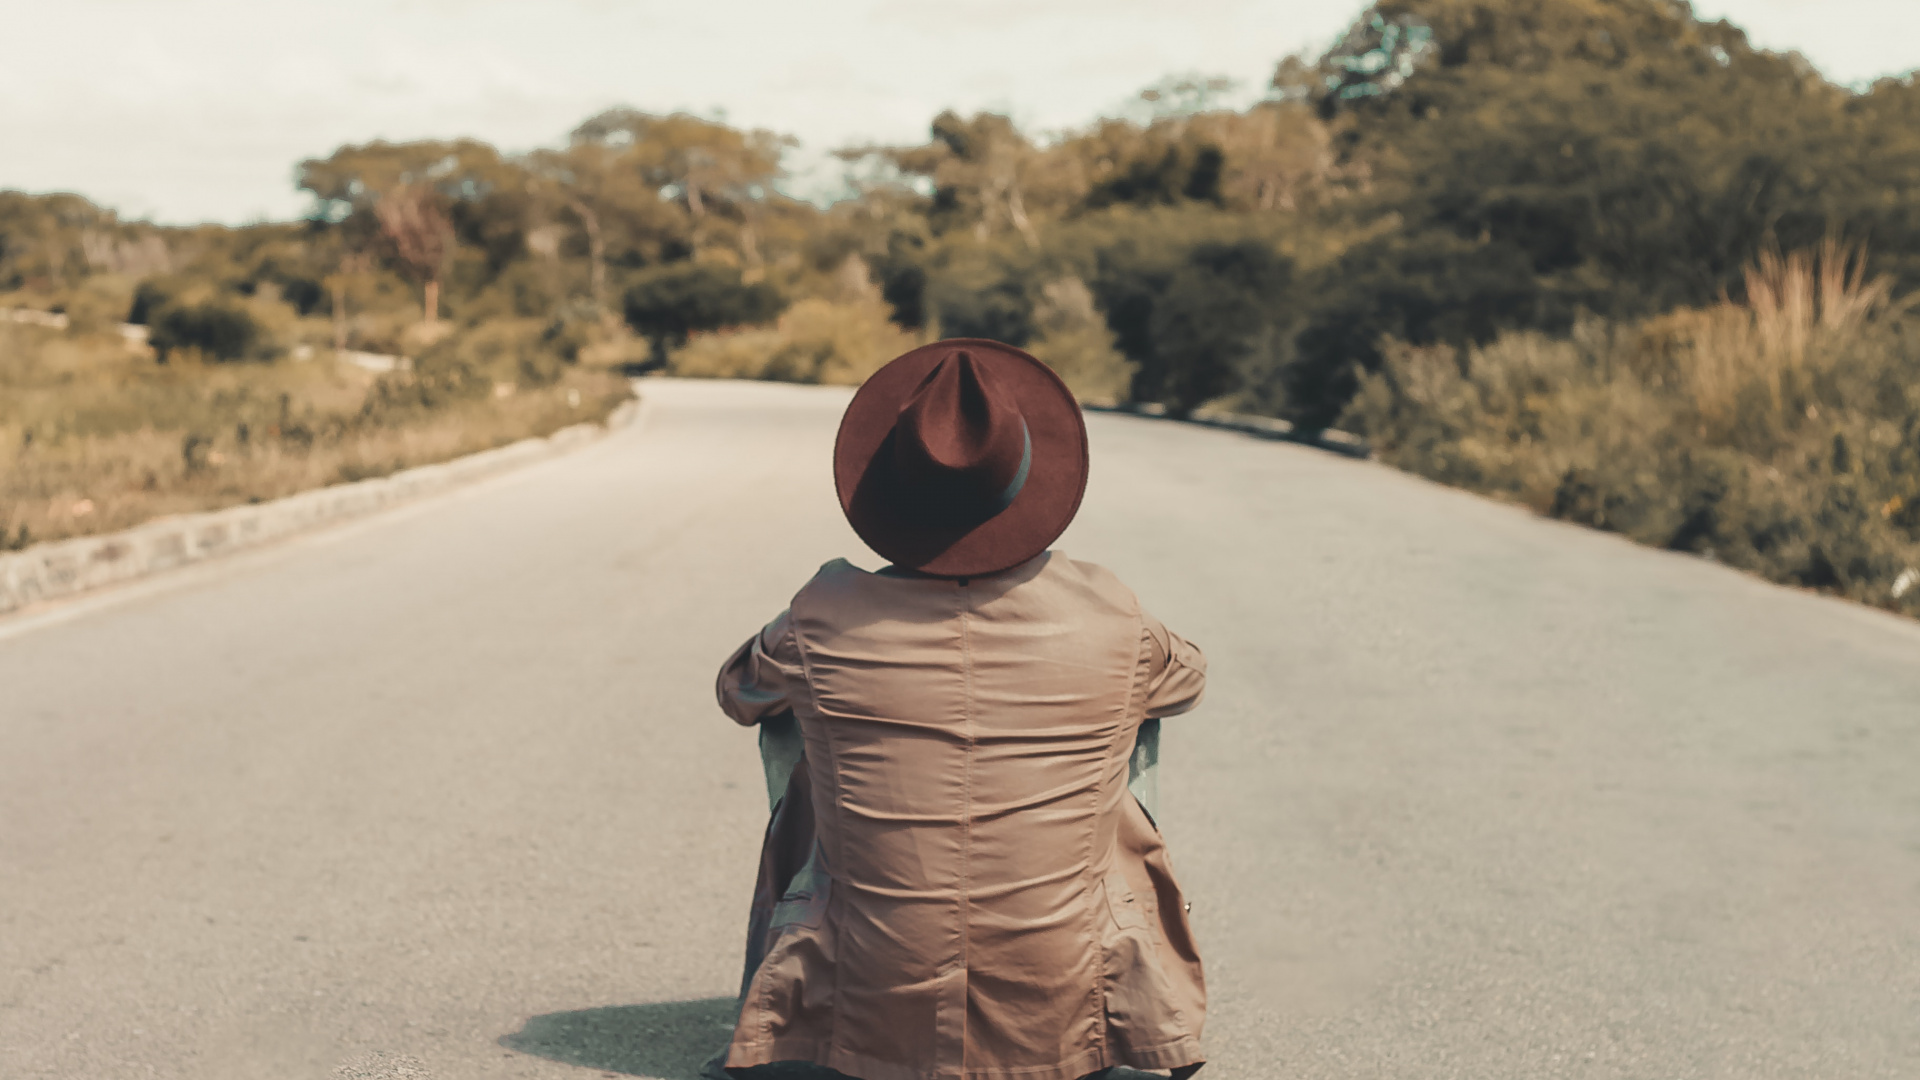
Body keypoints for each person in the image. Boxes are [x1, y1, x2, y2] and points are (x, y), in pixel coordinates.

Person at [711, 339, 1209, 1080]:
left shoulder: (821, 614)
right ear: (1026, 475)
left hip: (874, 984)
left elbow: (736, 691)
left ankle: (810, 964)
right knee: (1134, 716)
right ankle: (1125, 981)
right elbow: (1189, 677)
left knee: (793, 713)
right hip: (1060, 987)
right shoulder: (1112, 614)